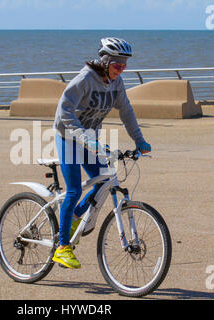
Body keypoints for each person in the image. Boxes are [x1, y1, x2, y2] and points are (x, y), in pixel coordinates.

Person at [53, 37, 151, 269]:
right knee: (75, 189)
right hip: (68, 136)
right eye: (118, 65)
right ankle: (62, 247)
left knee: (104, 181)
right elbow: (64, 110)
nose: (122, 69)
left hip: (88, 141)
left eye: (125, 65)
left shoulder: (116, 83)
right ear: (106, 62)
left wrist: (140, 140)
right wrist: (86, 138)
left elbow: (126, 112)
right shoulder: (85, 79)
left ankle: (75, 217)